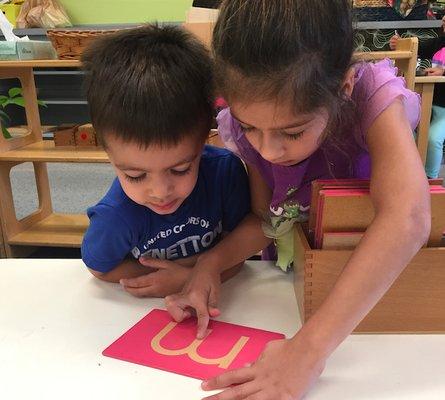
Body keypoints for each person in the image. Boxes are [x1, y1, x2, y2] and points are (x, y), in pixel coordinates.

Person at [165, 1, 430, 399]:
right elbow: (264, 219)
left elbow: (407, 217)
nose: (269, 151)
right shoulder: (249, 128)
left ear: (343, 86)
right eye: (250, 127)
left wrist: (307, 352)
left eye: (292, 132)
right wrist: (210, 264)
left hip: (377, 297)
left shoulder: (372, 95)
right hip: (297, 284)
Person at [80, 24, 250, 298]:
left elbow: (240, 253)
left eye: (181, 169)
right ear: (109, 155)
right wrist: (175, 279)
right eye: (135, 175)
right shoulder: (116, 218)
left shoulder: (225, 175)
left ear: (204, 139)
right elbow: (99, 268)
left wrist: (193, 275)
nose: (160, 192)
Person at [390, 20, 445, 178]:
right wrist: (398, 44)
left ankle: (430, 179)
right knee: (408, 133)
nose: (443, 21)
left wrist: (443, 71)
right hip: (428, 101)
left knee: (433, 138)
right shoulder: (439, 42)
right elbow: (416, 47)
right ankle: (410, 174)